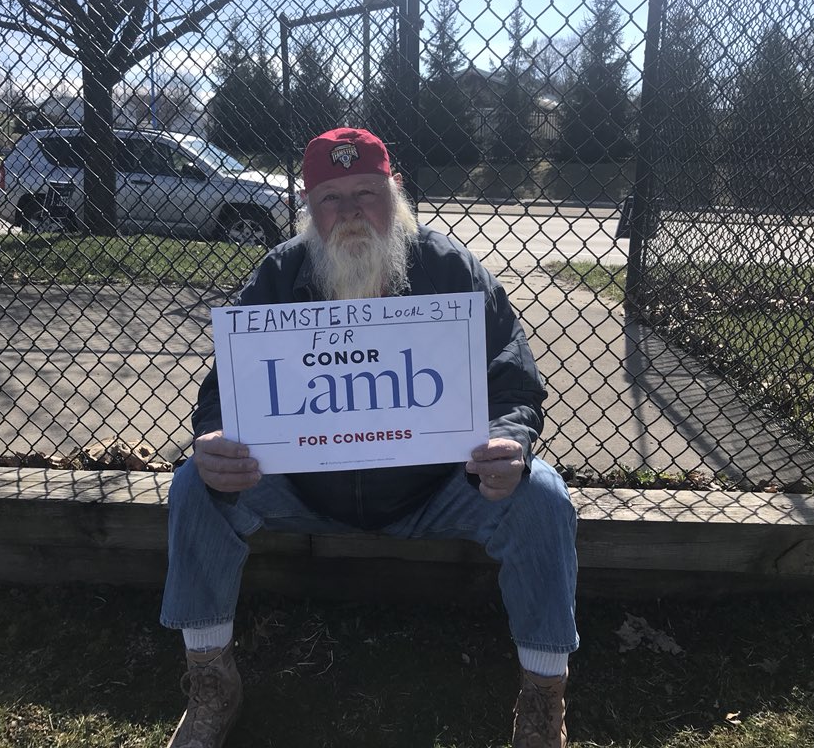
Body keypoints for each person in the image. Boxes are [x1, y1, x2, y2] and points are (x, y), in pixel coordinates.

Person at [160, 127, 578, 748]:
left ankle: (543, 700)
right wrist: (214, 439)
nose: (350, 211)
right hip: (304, 487)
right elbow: (223, 393)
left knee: (542, 495)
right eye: (331, 198)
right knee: (196, 484)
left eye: (366, 193)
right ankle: (211, 682)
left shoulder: (450, 270)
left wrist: (506, 442)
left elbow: (512, 382)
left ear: (395, 194)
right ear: (308, 207)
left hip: (437, 487)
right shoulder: (278, 275)